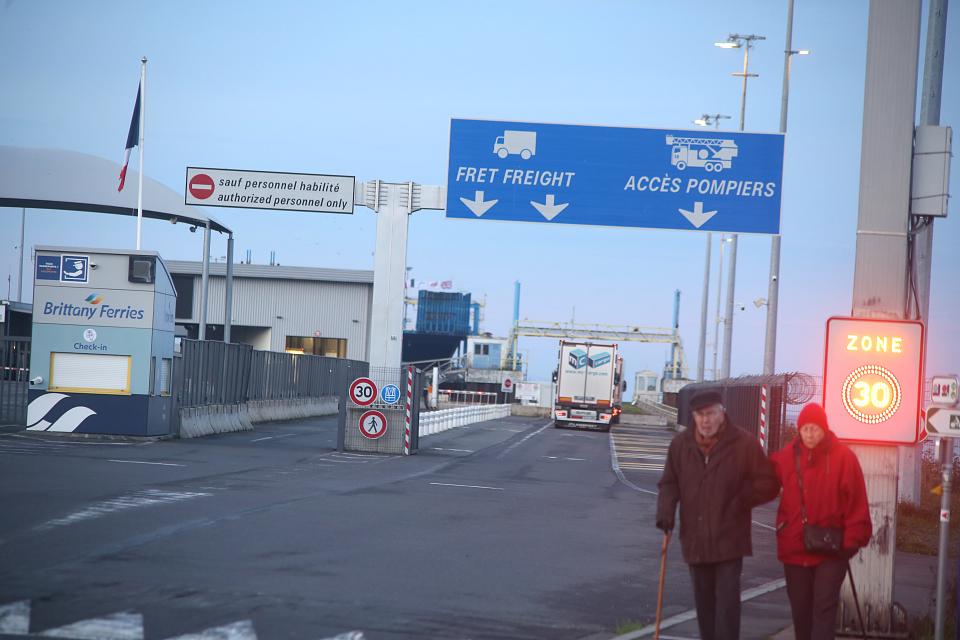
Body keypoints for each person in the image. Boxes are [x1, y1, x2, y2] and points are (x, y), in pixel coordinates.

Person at [656, 389, 780, 640]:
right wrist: (665, 513)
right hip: (695, 538)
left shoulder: (743, 444)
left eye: (711, 413)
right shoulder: (681, 445)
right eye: (700, 414)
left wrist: (742, 500)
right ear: (693, 416)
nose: (706, 420)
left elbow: (769, 482)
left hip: (730, 539)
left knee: (727, 605)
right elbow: (669, 483)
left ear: (722, 413)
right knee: (704, 606)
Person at [771, 402, 872, 640]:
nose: (809, 434)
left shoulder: (844, 458)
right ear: (799, 430)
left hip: (832, 550)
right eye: (805, 429)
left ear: (824, 429)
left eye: (814, 429)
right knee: (801, 613)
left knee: (824, 609)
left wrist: (852, 542)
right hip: (795, 547)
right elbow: (763, 483)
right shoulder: (786, 457)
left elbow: (857, 501)